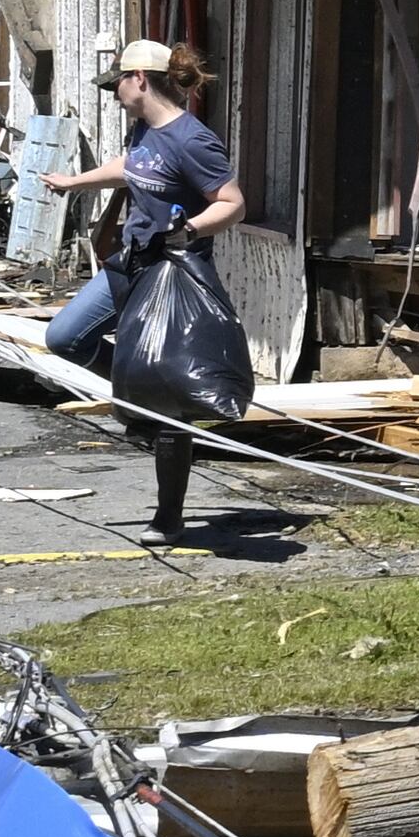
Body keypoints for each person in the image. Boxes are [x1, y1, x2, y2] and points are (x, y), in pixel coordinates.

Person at [47, 40, 246, 535]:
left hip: (172, 276)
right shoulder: (144, 129)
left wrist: (191, 230)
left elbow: (232, 203)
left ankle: (169, 517)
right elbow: (130, 167)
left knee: (170, 399)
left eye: (116, 81)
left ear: (139, 78)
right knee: (65, 337)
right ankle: (136, 402)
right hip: (129, 265)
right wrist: (76, 182)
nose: (112, 91)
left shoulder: (193, 140)